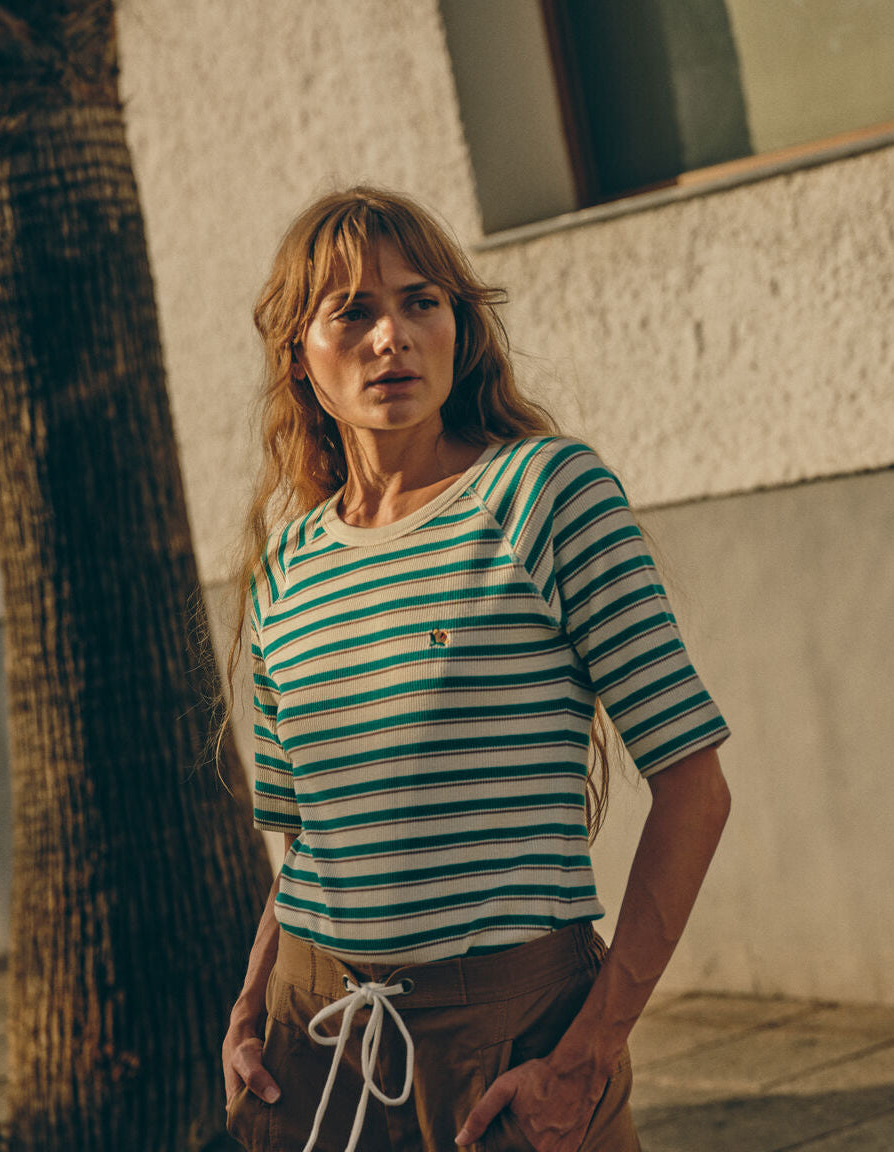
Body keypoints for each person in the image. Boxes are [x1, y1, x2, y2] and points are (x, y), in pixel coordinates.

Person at [220, 186, 731, 1152]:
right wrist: (248, 1013)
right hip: (309, 1046)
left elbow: (695, 789)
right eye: (353, 312)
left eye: (421, 302)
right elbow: (306, 842)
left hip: (510, 1044)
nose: (391, 338)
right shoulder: (287, 564)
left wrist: (584, 1058)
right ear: (299, 357)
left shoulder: (546, 493)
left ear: (460, 327)